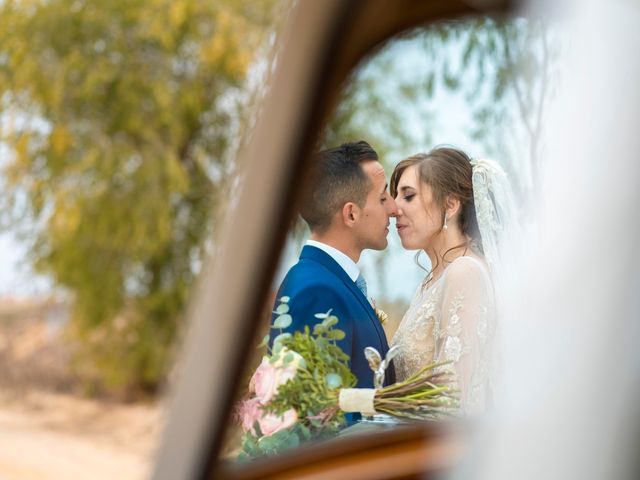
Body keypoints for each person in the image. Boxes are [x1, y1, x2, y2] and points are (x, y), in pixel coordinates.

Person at [389, 147, 507, 414]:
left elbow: (450, 398)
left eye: (408, 196)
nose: (394, 208)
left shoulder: (464, 272)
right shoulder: (433, 280)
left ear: (451, 205)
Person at [271, 140, 397, 388]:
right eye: (383, 198)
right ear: (351, 214)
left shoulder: (329, 280)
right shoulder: (316, 292)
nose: (393, 208)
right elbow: (323, 417)